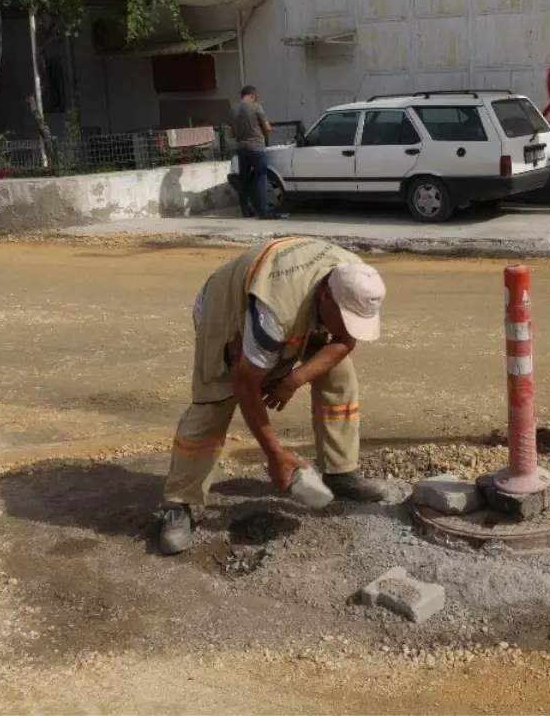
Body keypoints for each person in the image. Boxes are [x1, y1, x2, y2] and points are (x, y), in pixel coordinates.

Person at [158, 236, 389, 555]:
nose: (350, 328)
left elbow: (345, 342)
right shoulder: (273, 314)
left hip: (295, 306)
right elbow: (245, 385)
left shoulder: (357, 279)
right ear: (325, 297)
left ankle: (341, 471)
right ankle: (178, 503)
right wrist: (275, 454)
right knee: (215, 400)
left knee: (339, 374)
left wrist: (293, 379)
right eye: (345, 319)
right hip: (226, 306)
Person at [229, 85, 276, 219]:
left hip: (242, 148)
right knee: (261, 176)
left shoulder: (234, 109)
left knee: (243, 180)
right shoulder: (256, 106)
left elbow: (231, 134)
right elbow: (267, 129)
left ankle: (245, 210)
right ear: (253, 95)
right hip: (256, 147)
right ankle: (263, 211)